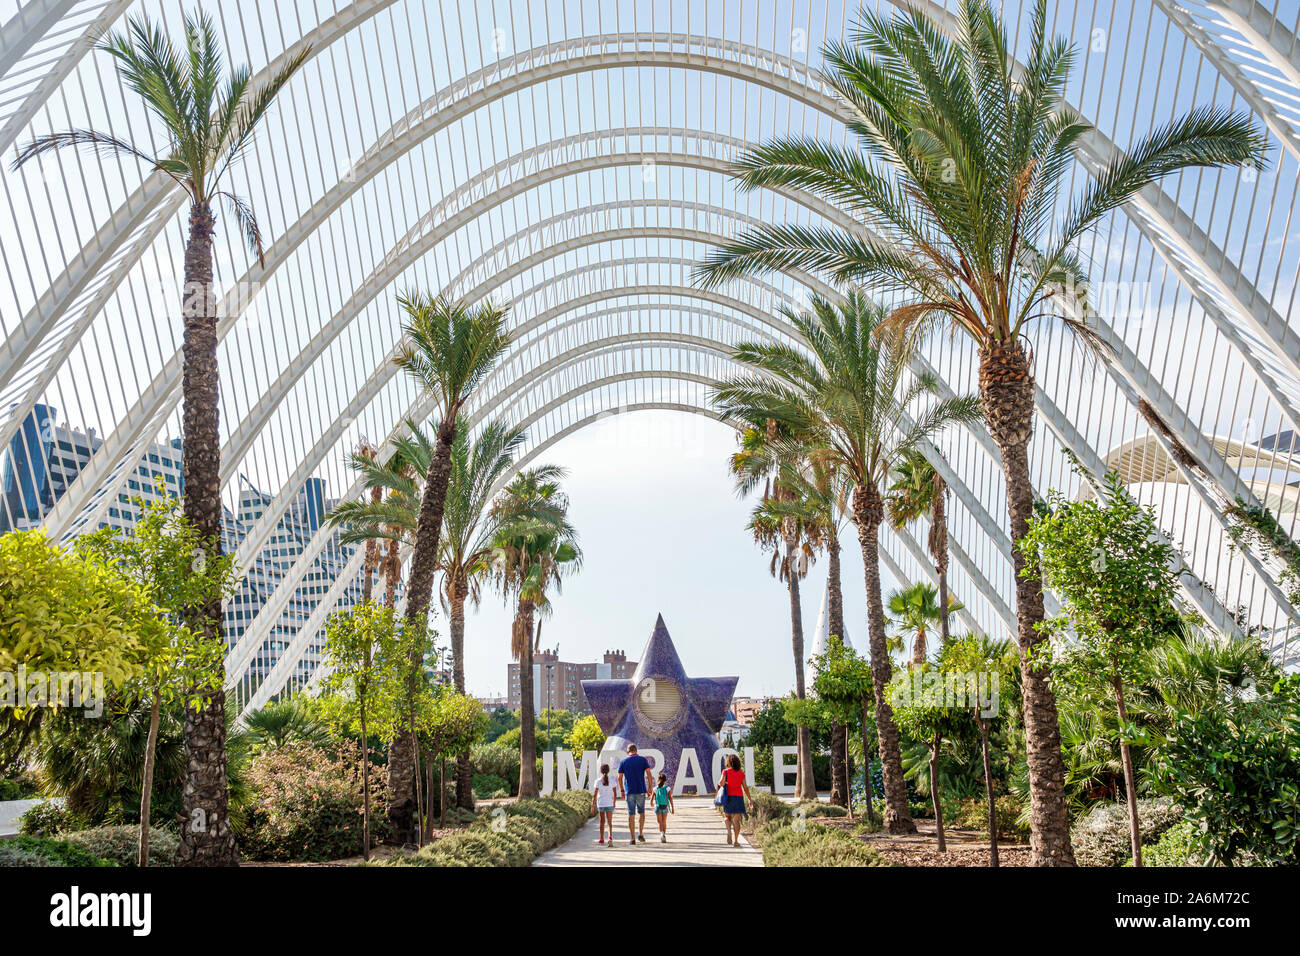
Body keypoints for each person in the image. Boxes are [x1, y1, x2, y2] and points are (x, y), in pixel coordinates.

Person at [617, 743, 654, 845]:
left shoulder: (623, 762)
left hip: (629, 792)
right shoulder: (643, 760)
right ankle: (640, 834)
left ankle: (632, 838)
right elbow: (649, 774)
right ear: (636, 750)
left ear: (627, 751)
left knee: (631, 814)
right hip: (641, 790)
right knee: (641, 813)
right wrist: (650, 787)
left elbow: (619, 777)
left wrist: (622, 790)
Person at [716, 753, 752, 847]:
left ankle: (728, 830)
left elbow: (721, 783)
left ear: (728, 762)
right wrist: (749, 799)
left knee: (727, 817)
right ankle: (736, 841)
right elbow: (745, 787)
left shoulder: (725, 772)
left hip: (728, 797)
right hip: (738, 798)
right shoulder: (741, 773)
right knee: (736, 820)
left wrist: (725, 783)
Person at [590, 763, 617, 847]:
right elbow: (615, 794)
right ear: (608, 771)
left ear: (600, 771)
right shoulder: (612, 781)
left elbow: (595, 794)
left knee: (602, 822)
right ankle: (610, 837)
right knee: (609, 822)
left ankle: (601, 838)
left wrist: (592, 805)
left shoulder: (598, 781)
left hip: (601, 803)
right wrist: (614, 803)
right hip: (609, 803)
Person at [652, 771, 674, 843]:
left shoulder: (655, 788)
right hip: (665, 806)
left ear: (658, 780)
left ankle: (661, 834)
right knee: (664, 821)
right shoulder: (668, 788)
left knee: (660, 822)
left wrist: (651, 802)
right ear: (665, 780)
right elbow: (670, 798)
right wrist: (672, 808)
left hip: (658, 806)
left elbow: (652, 798)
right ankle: (664, 835)